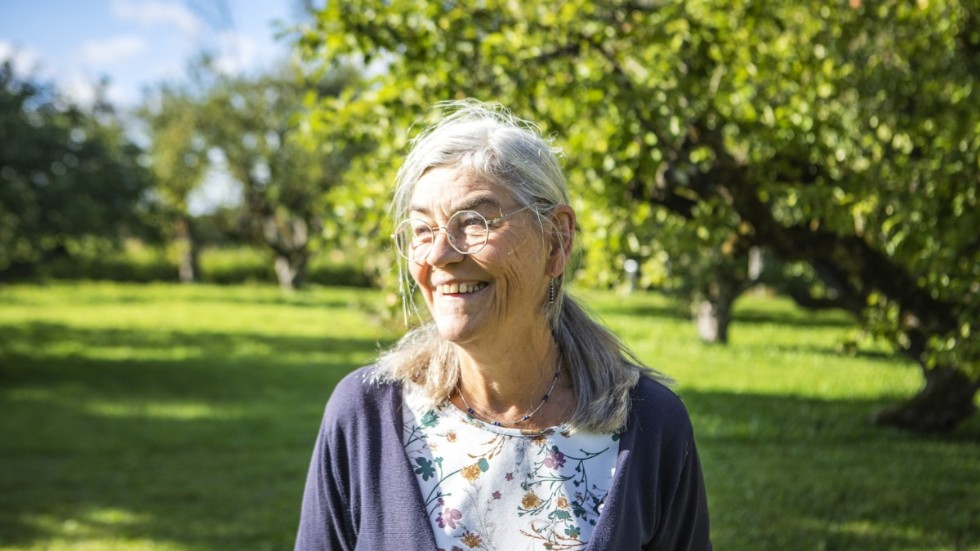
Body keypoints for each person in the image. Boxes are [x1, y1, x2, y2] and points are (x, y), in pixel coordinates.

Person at [295, 101, 711, 550]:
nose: (438, 255)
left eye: (473, 221)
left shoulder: (651, 425)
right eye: (422, 230)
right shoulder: (366, 415)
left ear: (556, 240)